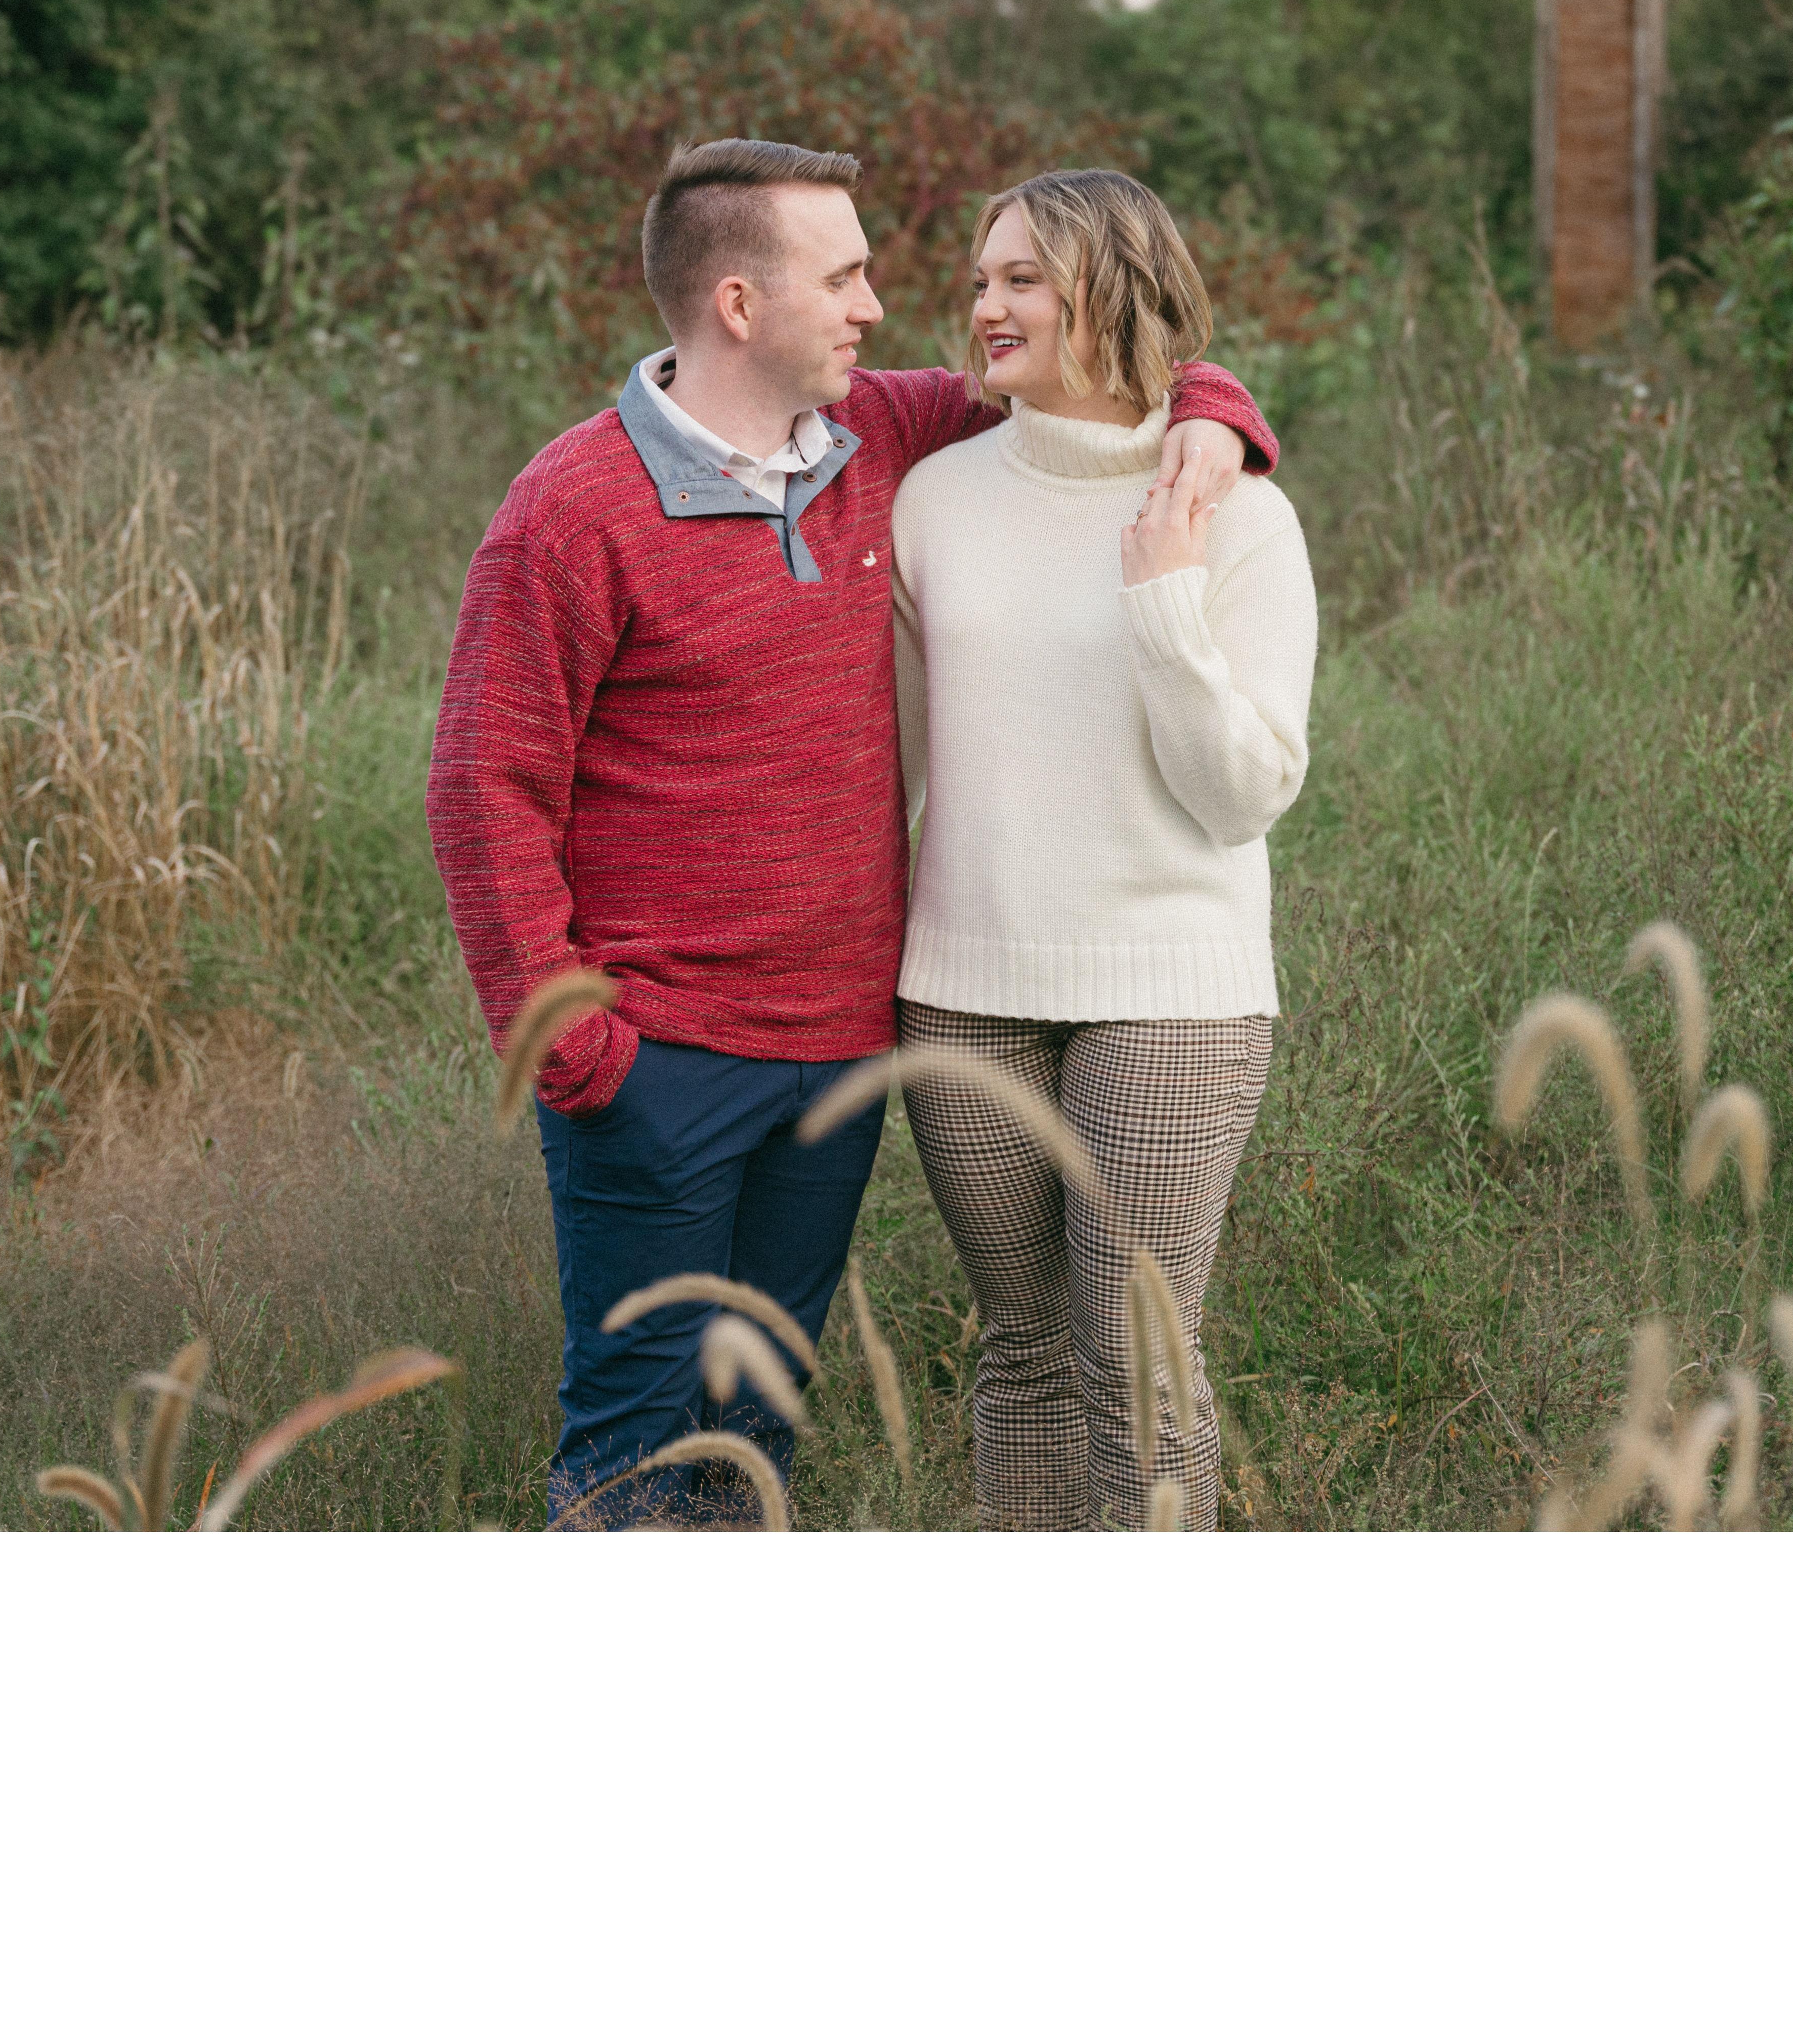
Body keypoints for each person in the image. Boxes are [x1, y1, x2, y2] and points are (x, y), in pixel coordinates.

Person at [423, 137, 1279, 1526]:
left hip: (835, 1053)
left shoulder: (878, 438)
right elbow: (483, 788)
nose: (880, 308)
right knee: (639, 1433)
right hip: (656, 1057)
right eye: (844, 279)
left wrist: (1213, 408)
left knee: (759, 1430)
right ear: (740, 304)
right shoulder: (573, 509)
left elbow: (1099, 364)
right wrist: (578, 1051)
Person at [884, 169, 1316, 1528]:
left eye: (1023, 279)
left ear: (1110, 288)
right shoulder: (933, 500)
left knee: (1138, 1364)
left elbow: (1244, 796)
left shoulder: (1242, 515)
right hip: (963, 989)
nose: (985, 307)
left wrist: (1165, 603)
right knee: (1021, 1354)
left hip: (1169, 989)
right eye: (981, 280)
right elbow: (890, 767)